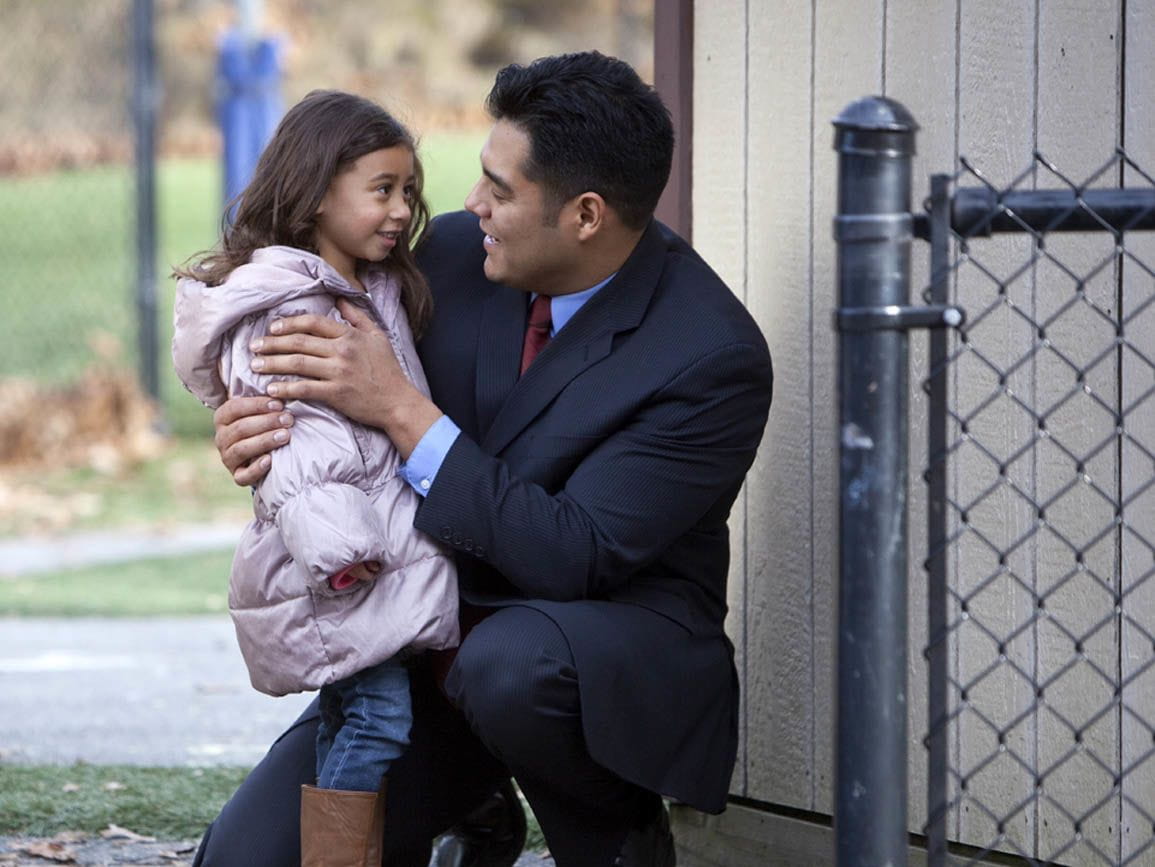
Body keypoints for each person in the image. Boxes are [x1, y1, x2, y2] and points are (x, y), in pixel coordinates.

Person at [198, 51, 773, 867]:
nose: (470, 205)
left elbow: (576, 553)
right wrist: (253, 425)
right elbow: (322, 389)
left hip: (590, 656)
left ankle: (617, 830)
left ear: (584, 215)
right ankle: (473, 799)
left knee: (513, 667)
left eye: (499, 191)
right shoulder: (453, 254)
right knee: (244, 861)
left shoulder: (709, 354)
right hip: (424, 637)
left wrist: (402, 409)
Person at [171, 90, 460, 866]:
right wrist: (342, 553)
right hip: (342, 565)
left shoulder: (374, 287)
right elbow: (296, 452)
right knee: (376, 720)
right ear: (317, 186)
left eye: (409, 191)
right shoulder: (285, 307)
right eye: (382, 189)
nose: (402, 210)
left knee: (353, 714)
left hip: (372, 559)